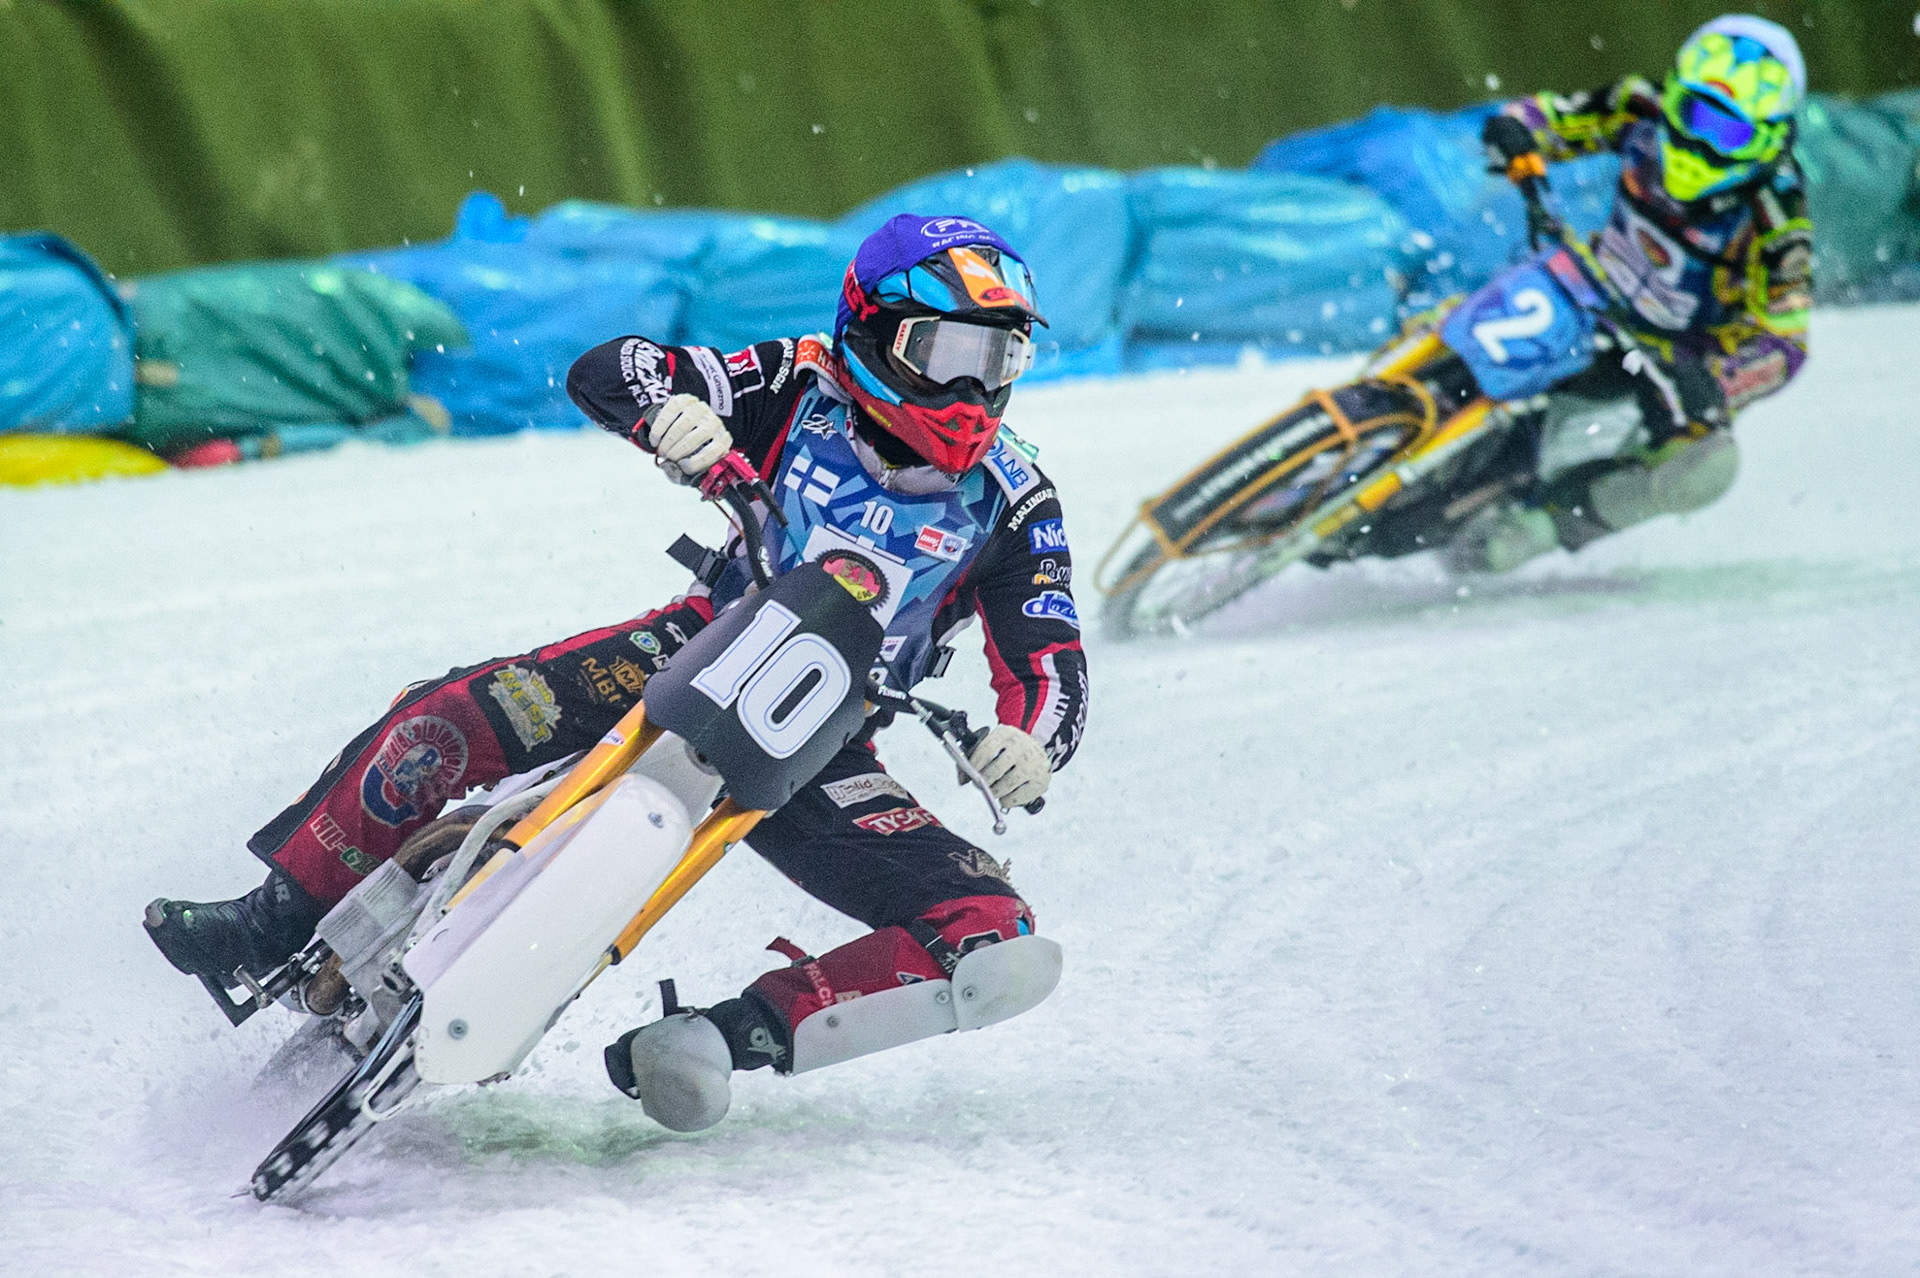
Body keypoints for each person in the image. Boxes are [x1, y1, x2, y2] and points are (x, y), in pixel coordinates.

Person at [145, 214, 1089, 1130]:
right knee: (443, 717)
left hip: (824, 743)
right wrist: (669, 413)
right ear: (872, 333)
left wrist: (1032, 742)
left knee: (992, 938)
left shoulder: (1015, 501)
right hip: (688, 647)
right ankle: (270, 920)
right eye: (948, 354)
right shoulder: (799, 381)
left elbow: (1053, 664)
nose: (974, 390)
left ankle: (719, 1040)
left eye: (999, 359)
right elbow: (615, 365)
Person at [1449, 14, 1812, 573]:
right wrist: (1517, 131)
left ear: (1768, 141)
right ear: (1674, 97)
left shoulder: (1778, 218)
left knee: (1707, 468)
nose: (1700, 142)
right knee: (1490, 291)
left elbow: (1786, 343)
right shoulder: (1641, 106)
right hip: (1589, 287)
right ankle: (1406, 374)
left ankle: (1539, 528)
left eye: (1731, 134)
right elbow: (1553, 116)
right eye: (1695, 115)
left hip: (1669, 361)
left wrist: (1717, 381)